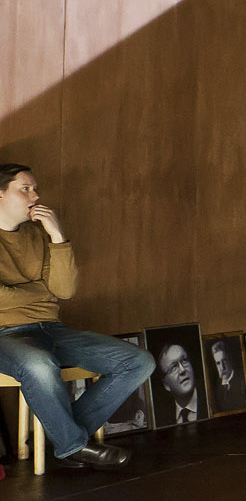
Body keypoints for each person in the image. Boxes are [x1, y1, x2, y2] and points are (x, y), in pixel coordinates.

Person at [0, 163, 155, 469]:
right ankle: (72, 445)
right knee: (38, 364)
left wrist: (58, 236)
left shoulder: (38, 235)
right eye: (25, 189)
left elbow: (64, 289)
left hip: (50, 328)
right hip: (5, 334)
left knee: (139, 361)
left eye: (35, 188)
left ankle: (66, 440)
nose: (36, 196)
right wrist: (42, 291)